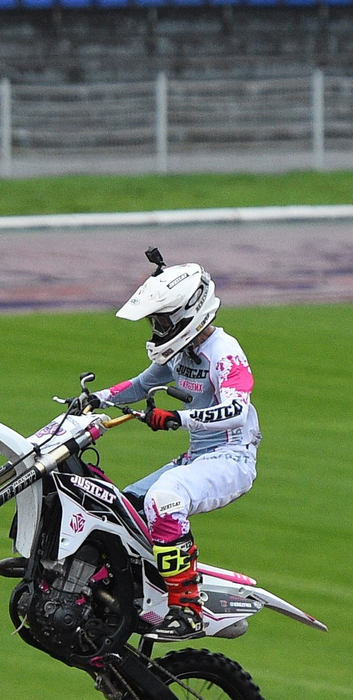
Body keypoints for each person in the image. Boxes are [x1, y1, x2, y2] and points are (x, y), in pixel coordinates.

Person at [101, 250, 258, 639]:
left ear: (189, 312)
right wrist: (94, 399)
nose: (156, 328)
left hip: (231, 459)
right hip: (197, 457)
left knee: (163, 501)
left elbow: (237, 410)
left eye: (162, 320)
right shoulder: (181, 350)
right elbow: (139, 386)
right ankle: (120, 592)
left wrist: (177, 418)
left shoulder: (224, 352)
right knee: (122, 506)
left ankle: (186, 609)